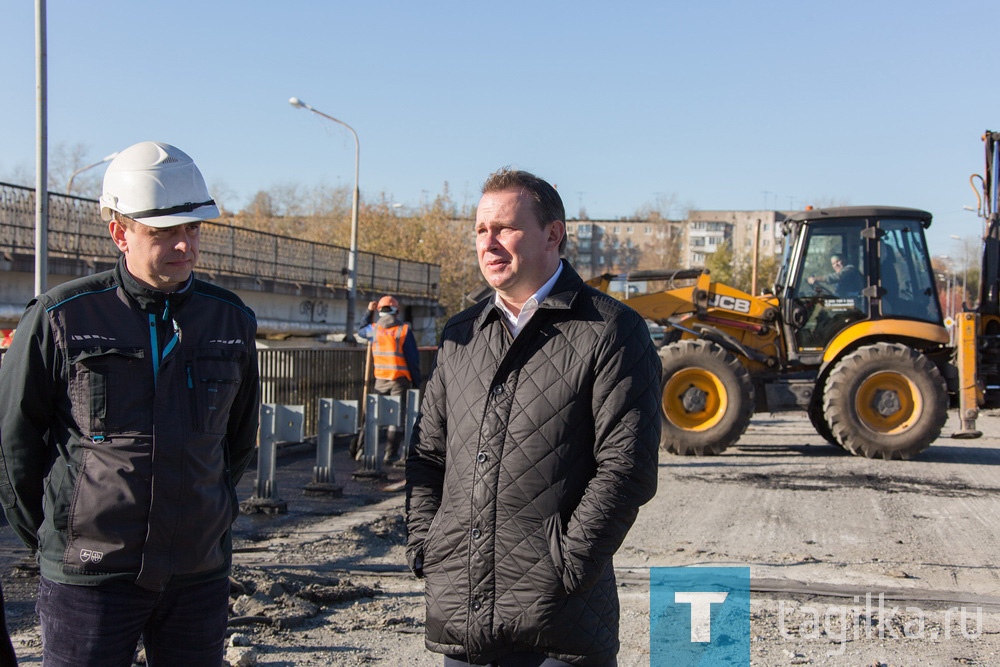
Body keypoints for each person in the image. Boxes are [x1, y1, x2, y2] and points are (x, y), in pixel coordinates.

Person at [0, 141, 260, 666]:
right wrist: (61, 533)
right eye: (163, 232)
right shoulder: (61, 317)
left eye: (192, 230)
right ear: (120, 232)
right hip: (91, 581)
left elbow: (236, 442)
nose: (184, 246)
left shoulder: (230, 320)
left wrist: (210, 515)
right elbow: (13, 446)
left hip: (197, 575)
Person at [405, 168, 660, 665]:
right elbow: (427, 456)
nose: (489, 243)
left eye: (505, 228)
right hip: (462, 619)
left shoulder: (610, 331)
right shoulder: (461, 337)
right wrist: (426, 547)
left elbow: (626, 470)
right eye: (481, 230)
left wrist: (566, 566)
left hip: (559, 627)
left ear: (553, 234)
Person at [358, 295, 422, 465]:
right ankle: (390, 453)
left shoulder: (374, 329)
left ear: (379, 310)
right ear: (397, 310)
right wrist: (416, 381)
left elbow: (360, 330)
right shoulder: (403, 330)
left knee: (372, 416)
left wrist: (368, 312)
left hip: (380, 380)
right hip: (399, 380)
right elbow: (412, 359)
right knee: (396, 418)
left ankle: (363, 450)